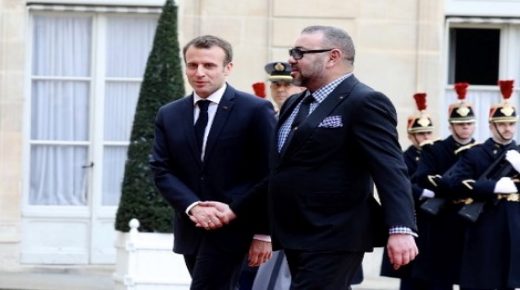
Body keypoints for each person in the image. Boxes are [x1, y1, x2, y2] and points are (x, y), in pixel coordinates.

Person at [234, 25, 417, 289]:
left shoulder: (364, 101)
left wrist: (400, 228)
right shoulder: (293, 104)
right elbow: (280, 173)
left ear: (332, 57)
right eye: (291, 52)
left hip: (335, 235)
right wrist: (234, 210)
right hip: (294, 234)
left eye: (300, 52)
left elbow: (390, 169)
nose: (291, 59)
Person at [149, 35, 276, 290]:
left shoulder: (255, 109)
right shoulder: (169, 113)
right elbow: (161, 169)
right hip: (191, 228)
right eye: (192, 65)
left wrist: (264, 232)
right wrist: (193, 206)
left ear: (228, 68)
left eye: (209, 65)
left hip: (235, 227)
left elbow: (271, 174)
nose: (199, 73)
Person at [444, 79, 520, 290]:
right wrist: (492, 187)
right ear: (491, 125)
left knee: (510, 281)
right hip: (485, 224)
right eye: (502, 124)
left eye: (512, 123)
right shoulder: (475, 153)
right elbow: (454, 183)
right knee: (481, 280)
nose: (508, 128)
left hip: (515, 225)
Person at [412, 83, 476, 289]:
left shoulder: (481, 151)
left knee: (472, 276)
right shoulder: (435, 149)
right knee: (440, 278)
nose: (465, 127)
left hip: (470, 220)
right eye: (460, 123)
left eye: (469, 123)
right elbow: (422, 177)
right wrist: (453, 186)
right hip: (443, 220)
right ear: (451, 126)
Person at [380, 92, 435, 290]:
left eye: (429, 132)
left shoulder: (437, 154)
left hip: (435, 222)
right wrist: (422, 193)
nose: (425, 137)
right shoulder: (404, 157)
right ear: (411, 135)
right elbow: (398, 185)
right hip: (413, 217)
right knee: (411, 275)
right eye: (421, 133)